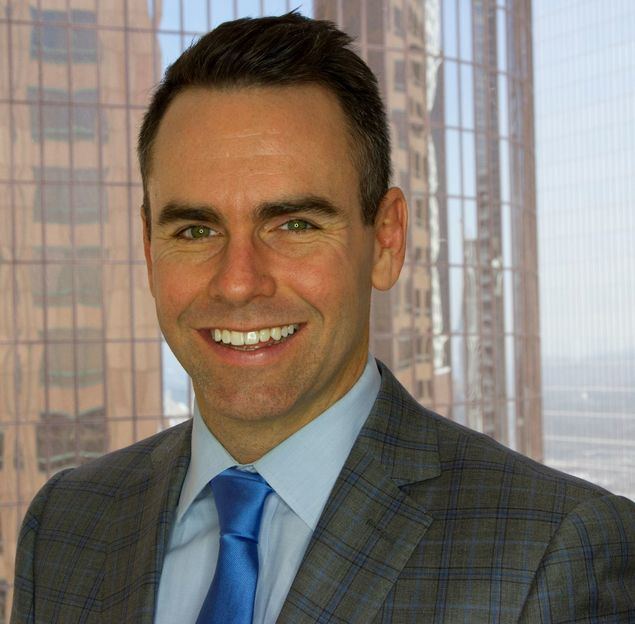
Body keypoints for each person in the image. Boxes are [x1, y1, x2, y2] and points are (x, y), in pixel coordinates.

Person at [11, 12, 635, 624]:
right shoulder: (65, 524)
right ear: (150, 251)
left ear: (386, 240)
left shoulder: (553, 554)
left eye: (295, 225)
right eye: (196, 230)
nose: (238, 282)